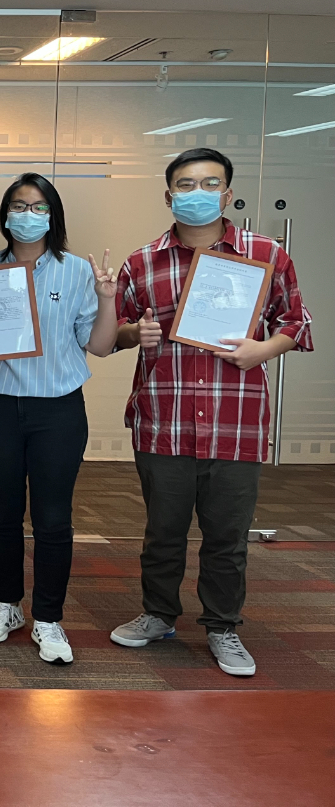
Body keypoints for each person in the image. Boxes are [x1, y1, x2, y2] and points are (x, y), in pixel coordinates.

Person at [109, 148, 312, 678]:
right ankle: (158, 614)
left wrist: (262, 351)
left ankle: (223, 625)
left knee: (228, 536)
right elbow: (111, 334)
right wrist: (136, 333)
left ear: (226, 194)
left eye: (208, 184)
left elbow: (296, 322)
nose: (196, 193)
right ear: (168, 194)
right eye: (185, 184)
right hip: (165, 418)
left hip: (235, 422)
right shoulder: (141, 262)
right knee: (163, 532)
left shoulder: (266, 253)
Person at [0, 172, 118, 665]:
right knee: (2, 514)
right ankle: (8, 605)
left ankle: (48, 617)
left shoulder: (74, 271)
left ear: (53, 215)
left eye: (38, 206)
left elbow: (101, 345)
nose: (27, 215)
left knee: (52, 519)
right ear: (5, 214)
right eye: (19, 205)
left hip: (58, 410)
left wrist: (108, 296)